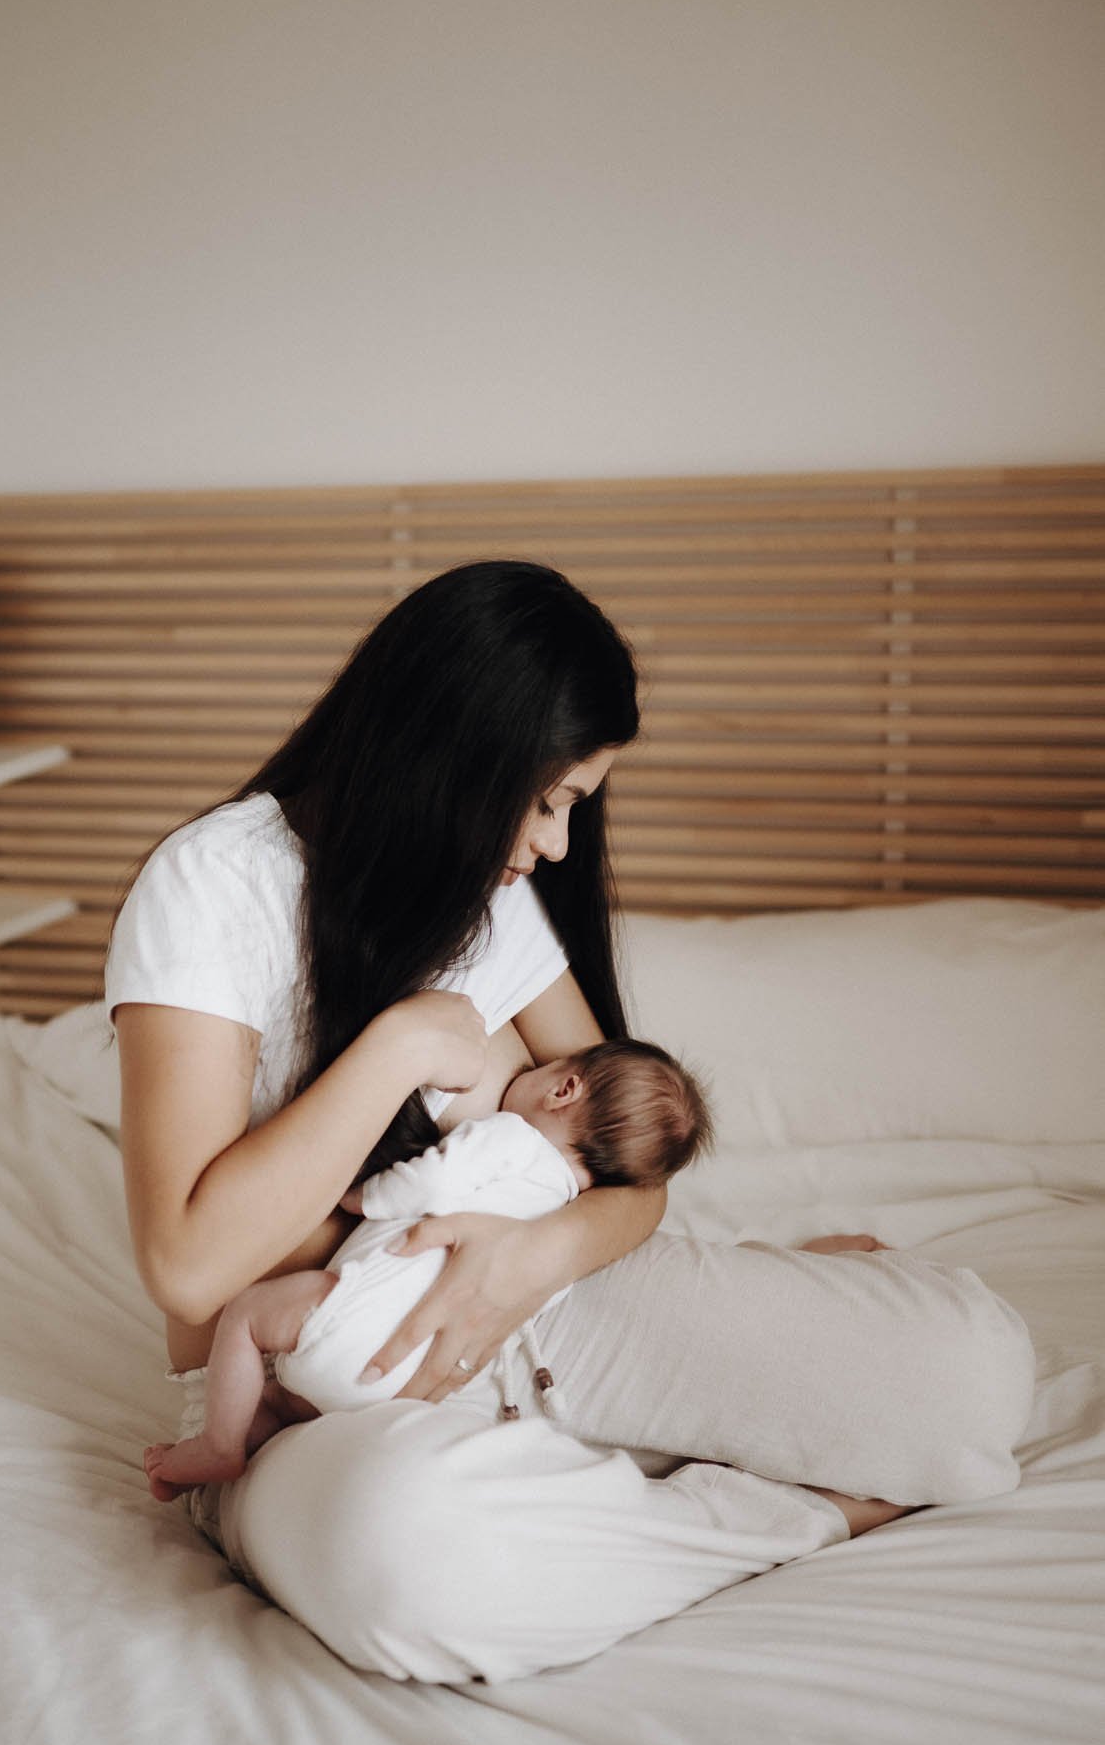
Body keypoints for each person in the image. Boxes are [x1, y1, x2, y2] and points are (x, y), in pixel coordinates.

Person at [108, 560, 1035, 1683]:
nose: (552, 846)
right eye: (546, 799)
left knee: (972, 1377)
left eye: (572, 807)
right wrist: (400, 1041)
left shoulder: (494, 900)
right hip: (309, 1390)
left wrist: (534, 1254)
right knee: (412, 1567)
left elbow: (632, 1176)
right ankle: (795, 1510)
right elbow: (191, 1266)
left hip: (559, 1309)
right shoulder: (214, 884)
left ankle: (636, 1453)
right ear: (450, 751)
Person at [142, 1037, 713, 1497]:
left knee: (245, 1316)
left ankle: (217, 1445)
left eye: (546, 1067)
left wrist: (362, 1197)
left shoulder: (514, 1139)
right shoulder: (557, 1217)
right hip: (409, 1385)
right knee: (291, 1408)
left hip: (342, 1320)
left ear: (564, 1088)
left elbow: (434, 1177)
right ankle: (203, 1467)